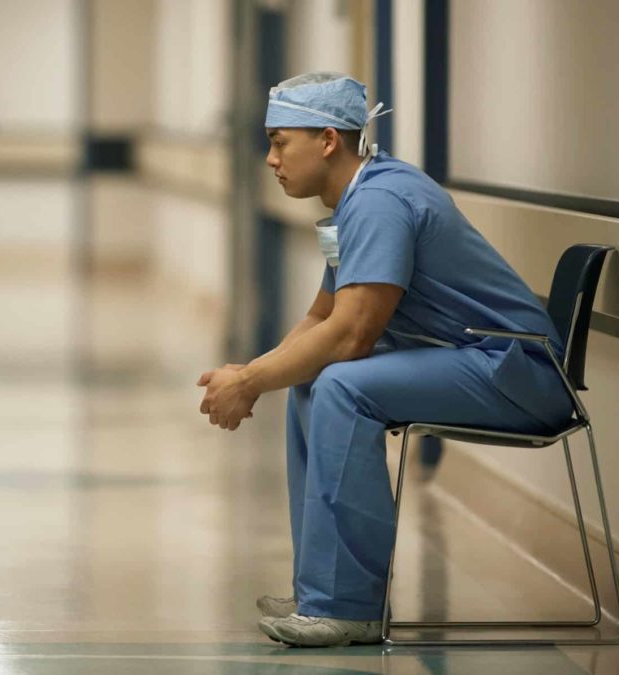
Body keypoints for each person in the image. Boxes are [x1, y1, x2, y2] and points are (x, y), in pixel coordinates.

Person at [197, 72, 573, 647]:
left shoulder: (378, 202)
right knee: (313, 381)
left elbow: (352, 337)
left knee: (342, 385)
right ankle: (321, 588)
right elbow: (322, 317)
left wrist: (249, 381)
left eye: (279, 141)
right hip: (477, 360)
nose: (270, 159)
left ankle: (348, 605)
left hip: (519, 372)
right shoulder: (351, 205)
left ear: (327, 140)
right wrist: (253, 375)